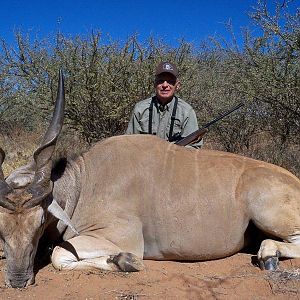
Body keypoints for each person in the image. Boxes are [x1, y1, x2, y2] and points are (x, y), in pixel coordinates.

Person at [126, 61, 202, 147]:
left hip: (175, 158)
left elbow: (194, 147)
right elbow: (129, 142)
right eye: (161, 81)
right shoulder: (140, 108)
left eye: (170, 81)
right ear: (155, 84)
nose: (165, 85)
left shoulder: (187, 111)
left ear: (177, 85)